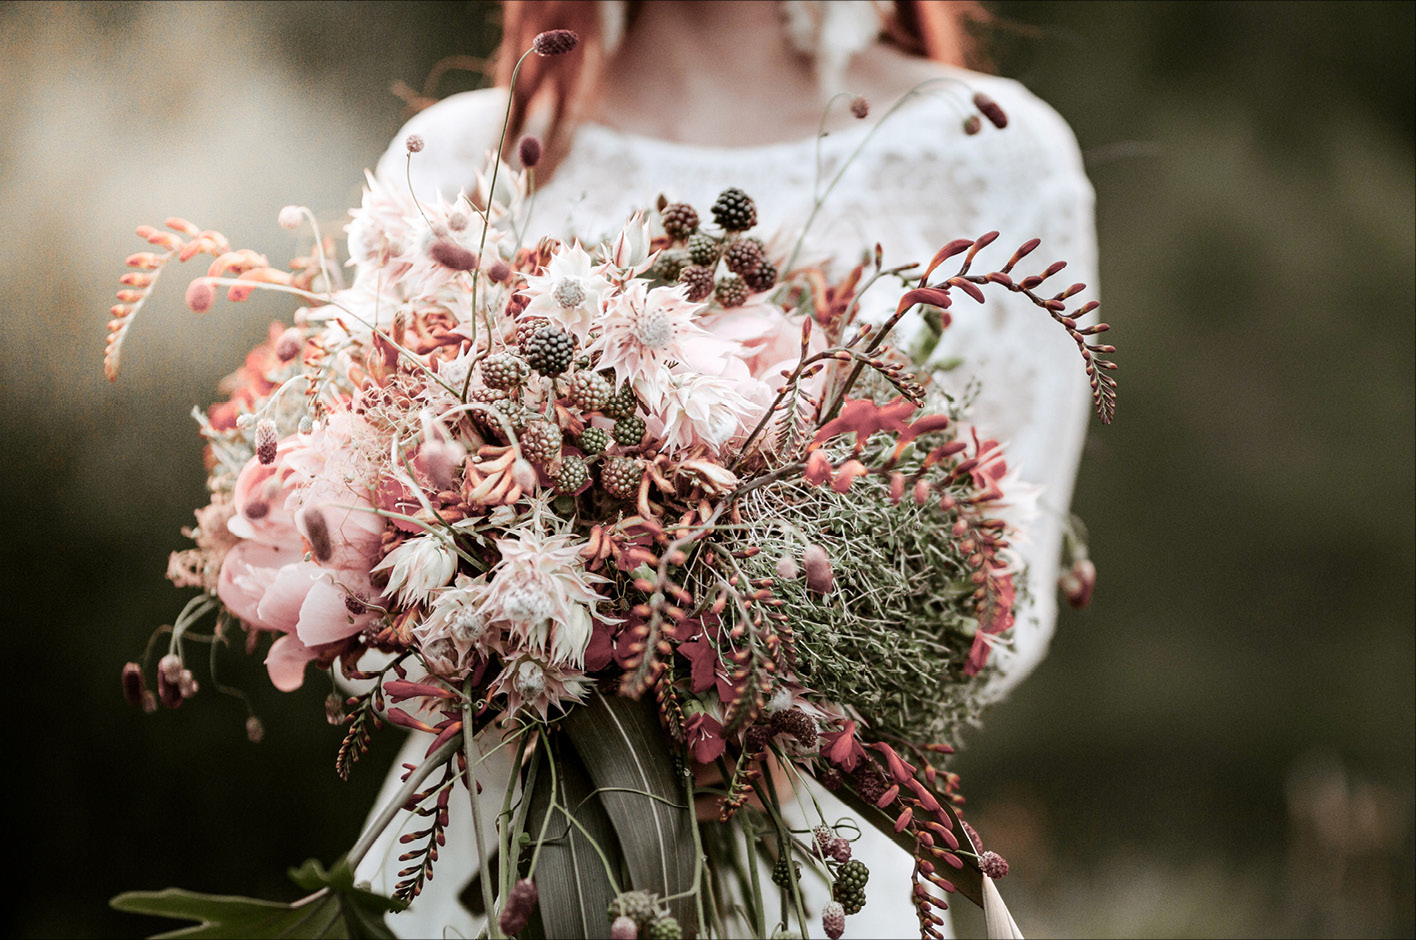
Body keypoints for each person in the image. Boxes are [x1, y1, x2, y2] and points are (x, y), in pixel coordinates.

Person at [353, 2, 1097, 936]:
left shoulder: (989, 153)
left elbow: (999, 588)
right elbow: (364, 548)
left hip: (814, 865)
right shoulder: (459, 158)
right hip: (489, 855)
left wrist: (739, 699)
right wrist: (524, 645)